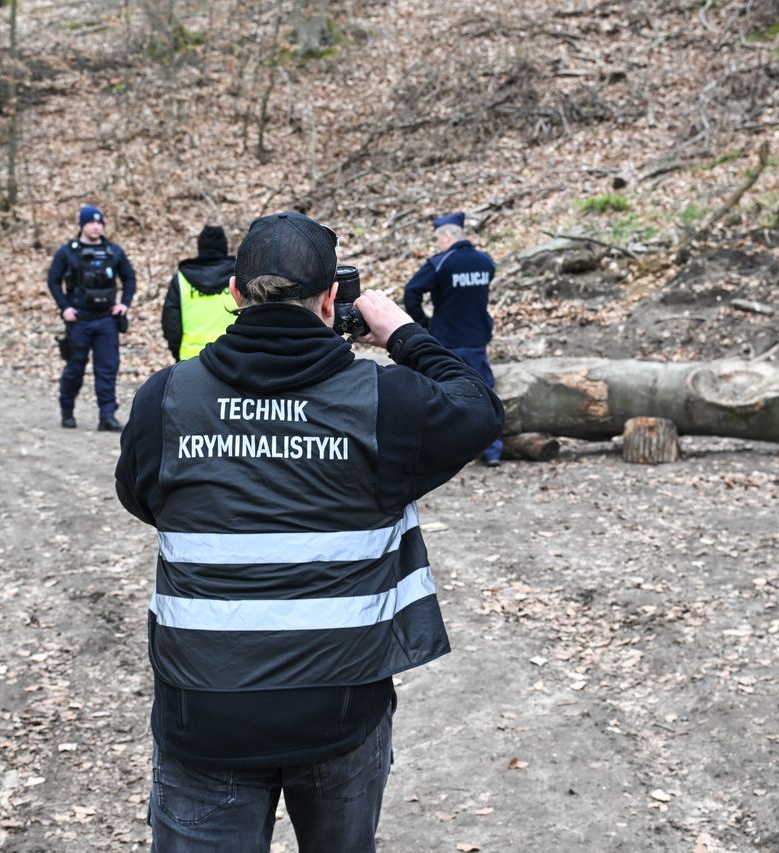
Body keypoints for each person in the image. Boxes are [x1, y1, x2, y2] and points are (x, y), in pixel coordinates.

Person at [115, 211, 503, 851]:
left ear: (234, 297)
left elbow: (145, 499)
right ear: (331, 300)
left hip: (203, 713)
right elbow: (479, 408)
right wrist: (403, 333)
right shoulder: (386, 403)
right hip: (341, 707)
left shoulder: (166, 399)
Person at [402, 210, 503, 466]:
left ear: (447, 236)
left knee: (442, 392)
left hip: (446, 339)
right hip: (477, 338)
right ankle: (491, 451)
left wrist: (423, 323)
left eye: (438, 239)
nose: (437, 244)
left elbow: (412, 291)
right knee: (484, 392)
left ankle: (444, 450)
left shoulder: (440, 263)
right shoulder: (485, 262)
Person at [47, 204, 136, 432]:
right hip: (79, 320)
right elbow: (53, 281)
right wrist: (64, 308)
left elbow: (129, 278)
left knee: (107, 369)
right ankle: (67, 410)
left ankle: (107, 415)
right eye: (91, 222)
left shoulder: (113, 252)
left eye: (100, 223)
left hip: (106, 320)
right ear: (82, 225)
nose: (96, 227)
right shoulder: (68, 252)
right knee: (74, 368)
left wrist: (124, 304)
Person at [161, 225, 237, 362]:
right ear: (224, 247)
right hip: (231, 358)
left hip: (190, 361)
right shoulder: (238, 277)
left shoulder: (181, 279)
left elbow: (171, 323)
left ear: (200, 247)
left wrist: (176, 352)